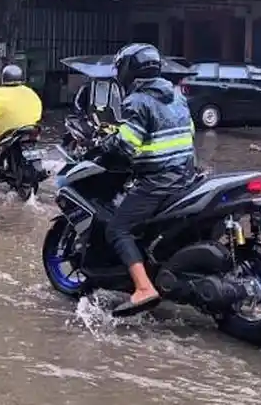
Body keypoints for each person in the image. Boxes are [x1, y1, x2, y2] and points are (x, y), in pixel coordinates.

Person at [99, 42, 196, 317]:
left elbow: (126, 146)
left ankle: (143, 287)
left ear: (129, 71)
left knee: (117, 229)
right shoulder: (177, 96)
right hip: (186, 176)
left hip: (158, 182)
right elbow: (189, 133)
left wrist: (106, 146)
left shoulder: (137, 102)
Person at [0, 64, 43, 166]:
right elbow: (38, 113)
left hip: (4, 133)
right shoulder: (30, 92)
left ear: (3, 78)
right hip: (29, 129)